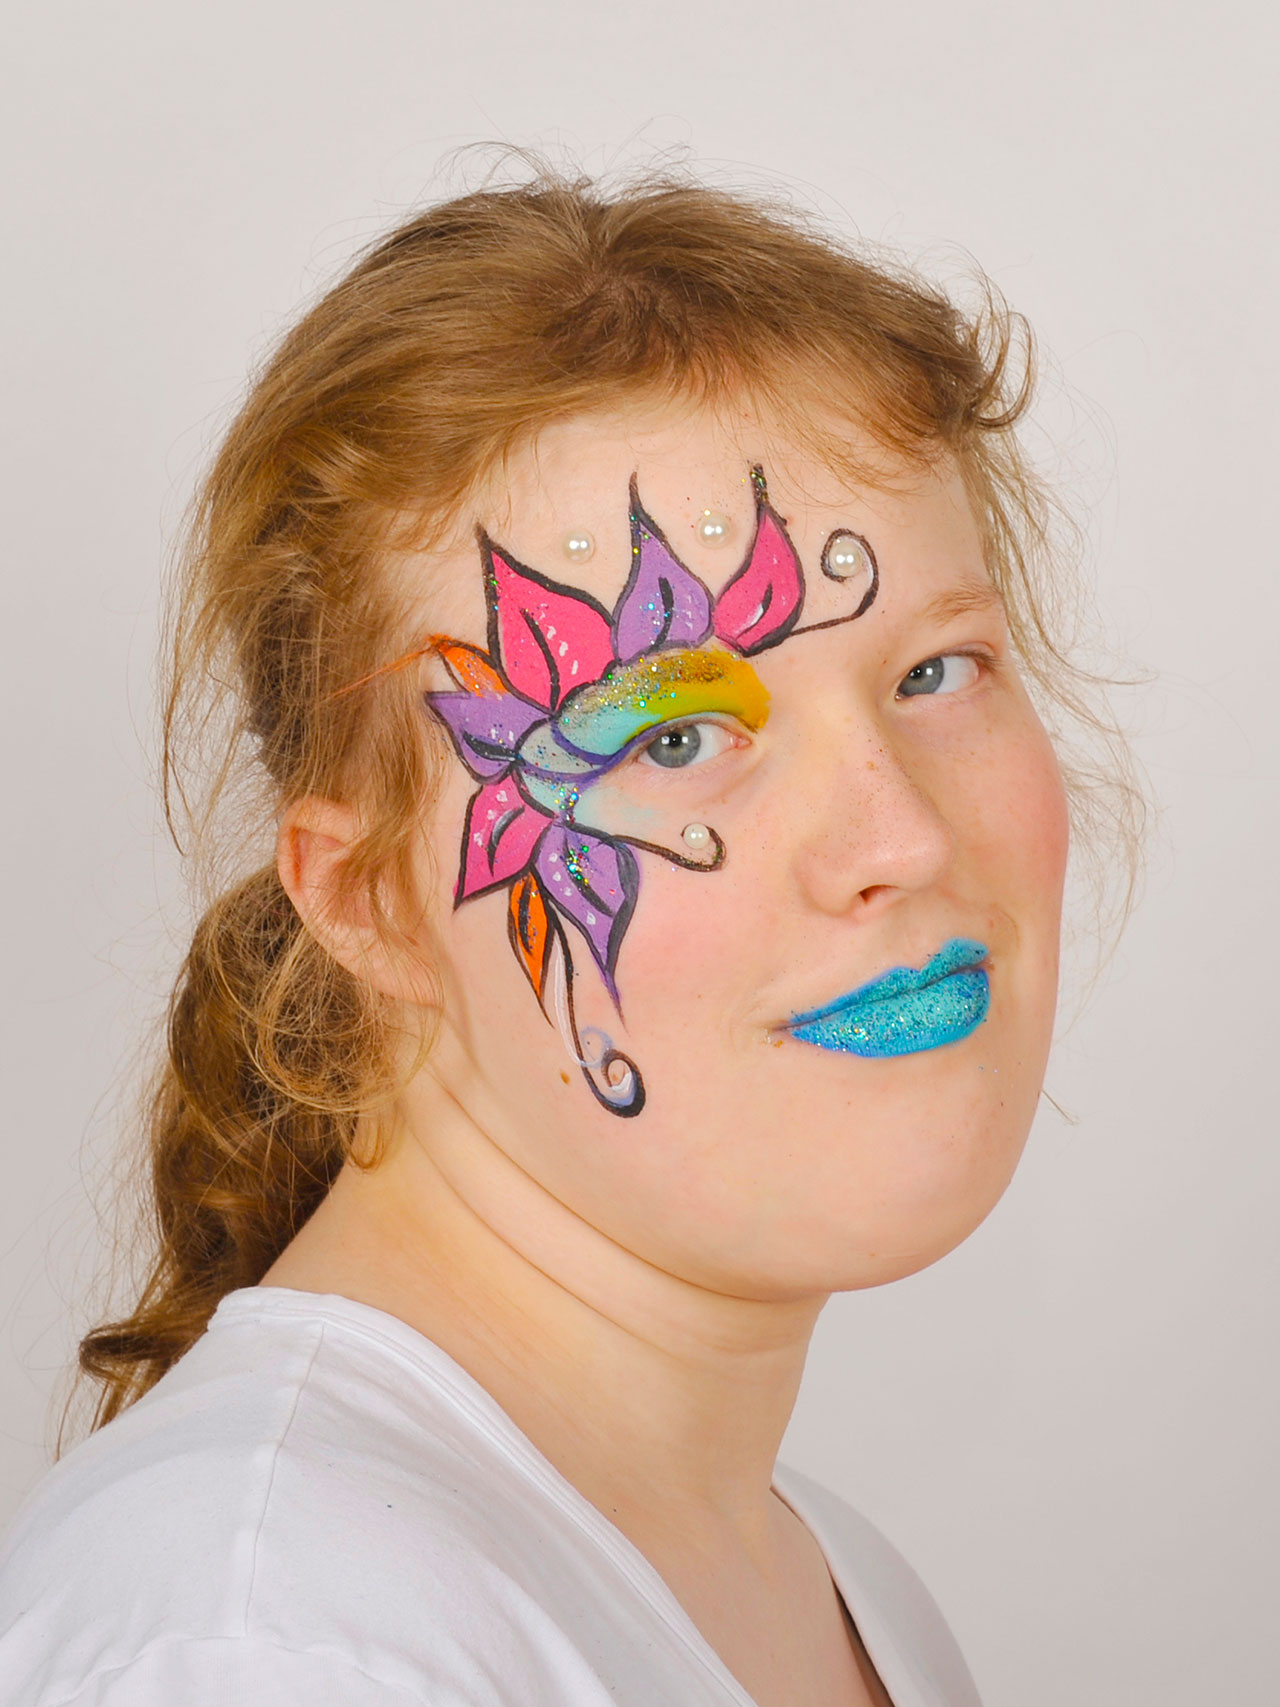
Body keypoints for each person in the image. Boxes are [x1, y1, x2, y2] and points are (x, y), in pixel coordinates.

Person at [0, 163, 1131, 1706]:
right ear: (369, 899)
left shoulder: (828, 1586)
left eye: (936, 672)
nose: (903, 840)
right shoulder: (275, 1643)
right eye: (670, 740)